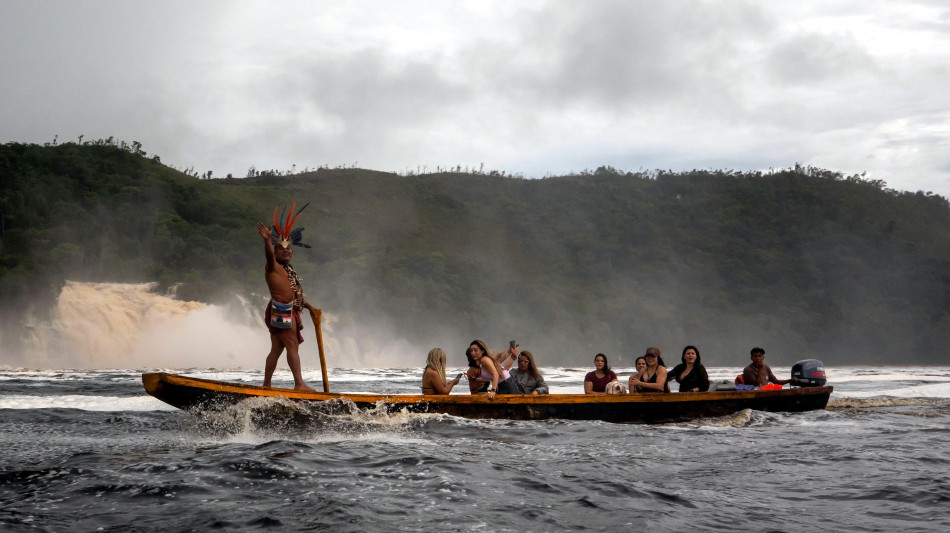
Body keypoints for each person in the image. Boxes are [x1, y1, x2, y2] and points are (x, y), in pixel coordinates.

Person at [257, 202, 316, 392]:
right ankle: (299, 384)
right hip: (281, 309)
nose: (286, 250)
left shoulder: (288, 270)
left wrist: (309, 307)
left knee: (277, 348)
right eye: (281, 248)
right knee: (291, 345)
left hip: (285, 309)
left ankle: (266, 385)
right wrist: (267, 240)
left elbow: (295, 294)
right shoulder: (273, 267)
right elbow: (268, 256)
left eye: (288, 248)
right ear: (275, 252)